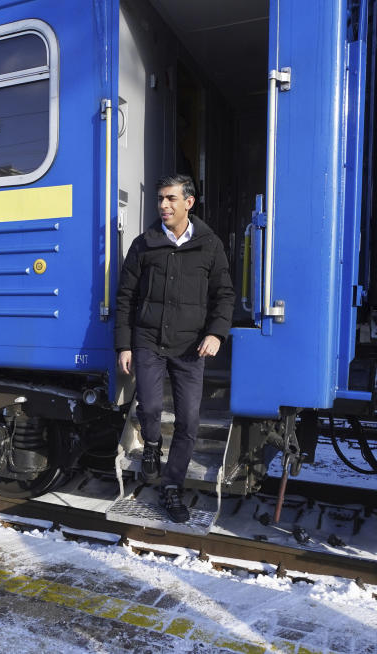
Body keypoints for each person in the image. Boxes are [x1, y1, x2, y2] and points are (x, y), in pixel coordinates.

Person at [114, 174, 234, 523]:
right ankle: (152, 446)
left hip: (190, 347)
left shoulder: (209, 245)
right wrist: (124, 344)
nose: (163, 205)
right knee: (149, 408)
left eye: (170, 199)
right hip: (149, 341)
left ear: (189, 203)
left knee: (189, 421)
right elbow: (126, 298)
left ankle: (171, 485)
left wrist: (216, 334)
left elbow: (224, 295)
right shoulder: (144, 244)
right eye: (160, 199)